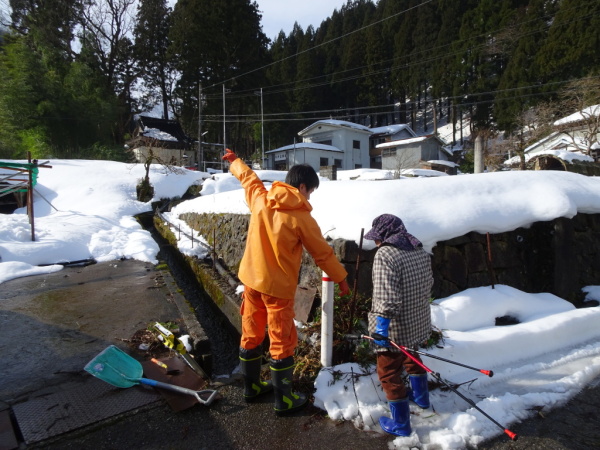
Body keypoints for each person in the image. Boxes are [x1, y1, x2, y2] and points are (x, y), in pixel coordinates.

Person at [221, 149, 350, 415]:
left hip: (252, 283)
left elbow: (249, 179)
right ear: (302, 186)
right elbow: (322, 253)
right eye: (310, 191)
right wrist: (342, 278)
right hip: (277, 289)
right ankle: (284, 400)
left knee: (251, 333)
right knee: (282, 340)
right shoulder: (301, 217)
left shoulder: (261, 199)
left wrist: (235, 161)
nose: (309, 196)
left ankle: (252, 388)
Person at [364, 213, 433, 437]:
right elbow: (429, 284)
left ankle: (401, 425)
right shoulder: (418, 249)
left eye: (377, 237)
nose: (376, 242)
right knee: (411, 356)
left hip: (395, 324)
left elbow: (387, 296)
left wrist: (381, 328)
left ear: (384, 235)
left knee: (388, 371)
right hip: (417, 320)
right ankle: (421, 398)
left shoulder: (386, 254)